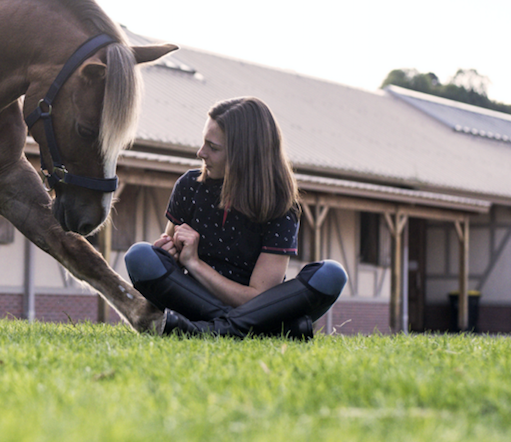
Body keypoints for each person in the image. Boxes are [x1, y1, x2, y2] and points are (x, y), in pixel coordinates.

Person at [124, 97, 347, 339]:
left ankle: (207, 330)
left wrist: (194, 263)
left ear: (244, 156)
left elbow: (258, 297)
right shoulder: (189, 186)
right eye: (204, 142)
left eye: (213, 147)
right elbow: (171, 257)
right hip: (195, 300)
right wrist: (170, 255)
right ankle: (271, 331)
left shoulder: (280, 205)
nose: (201, 153)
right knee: (140, 256)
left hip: (258, 306)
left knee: (331, 274)